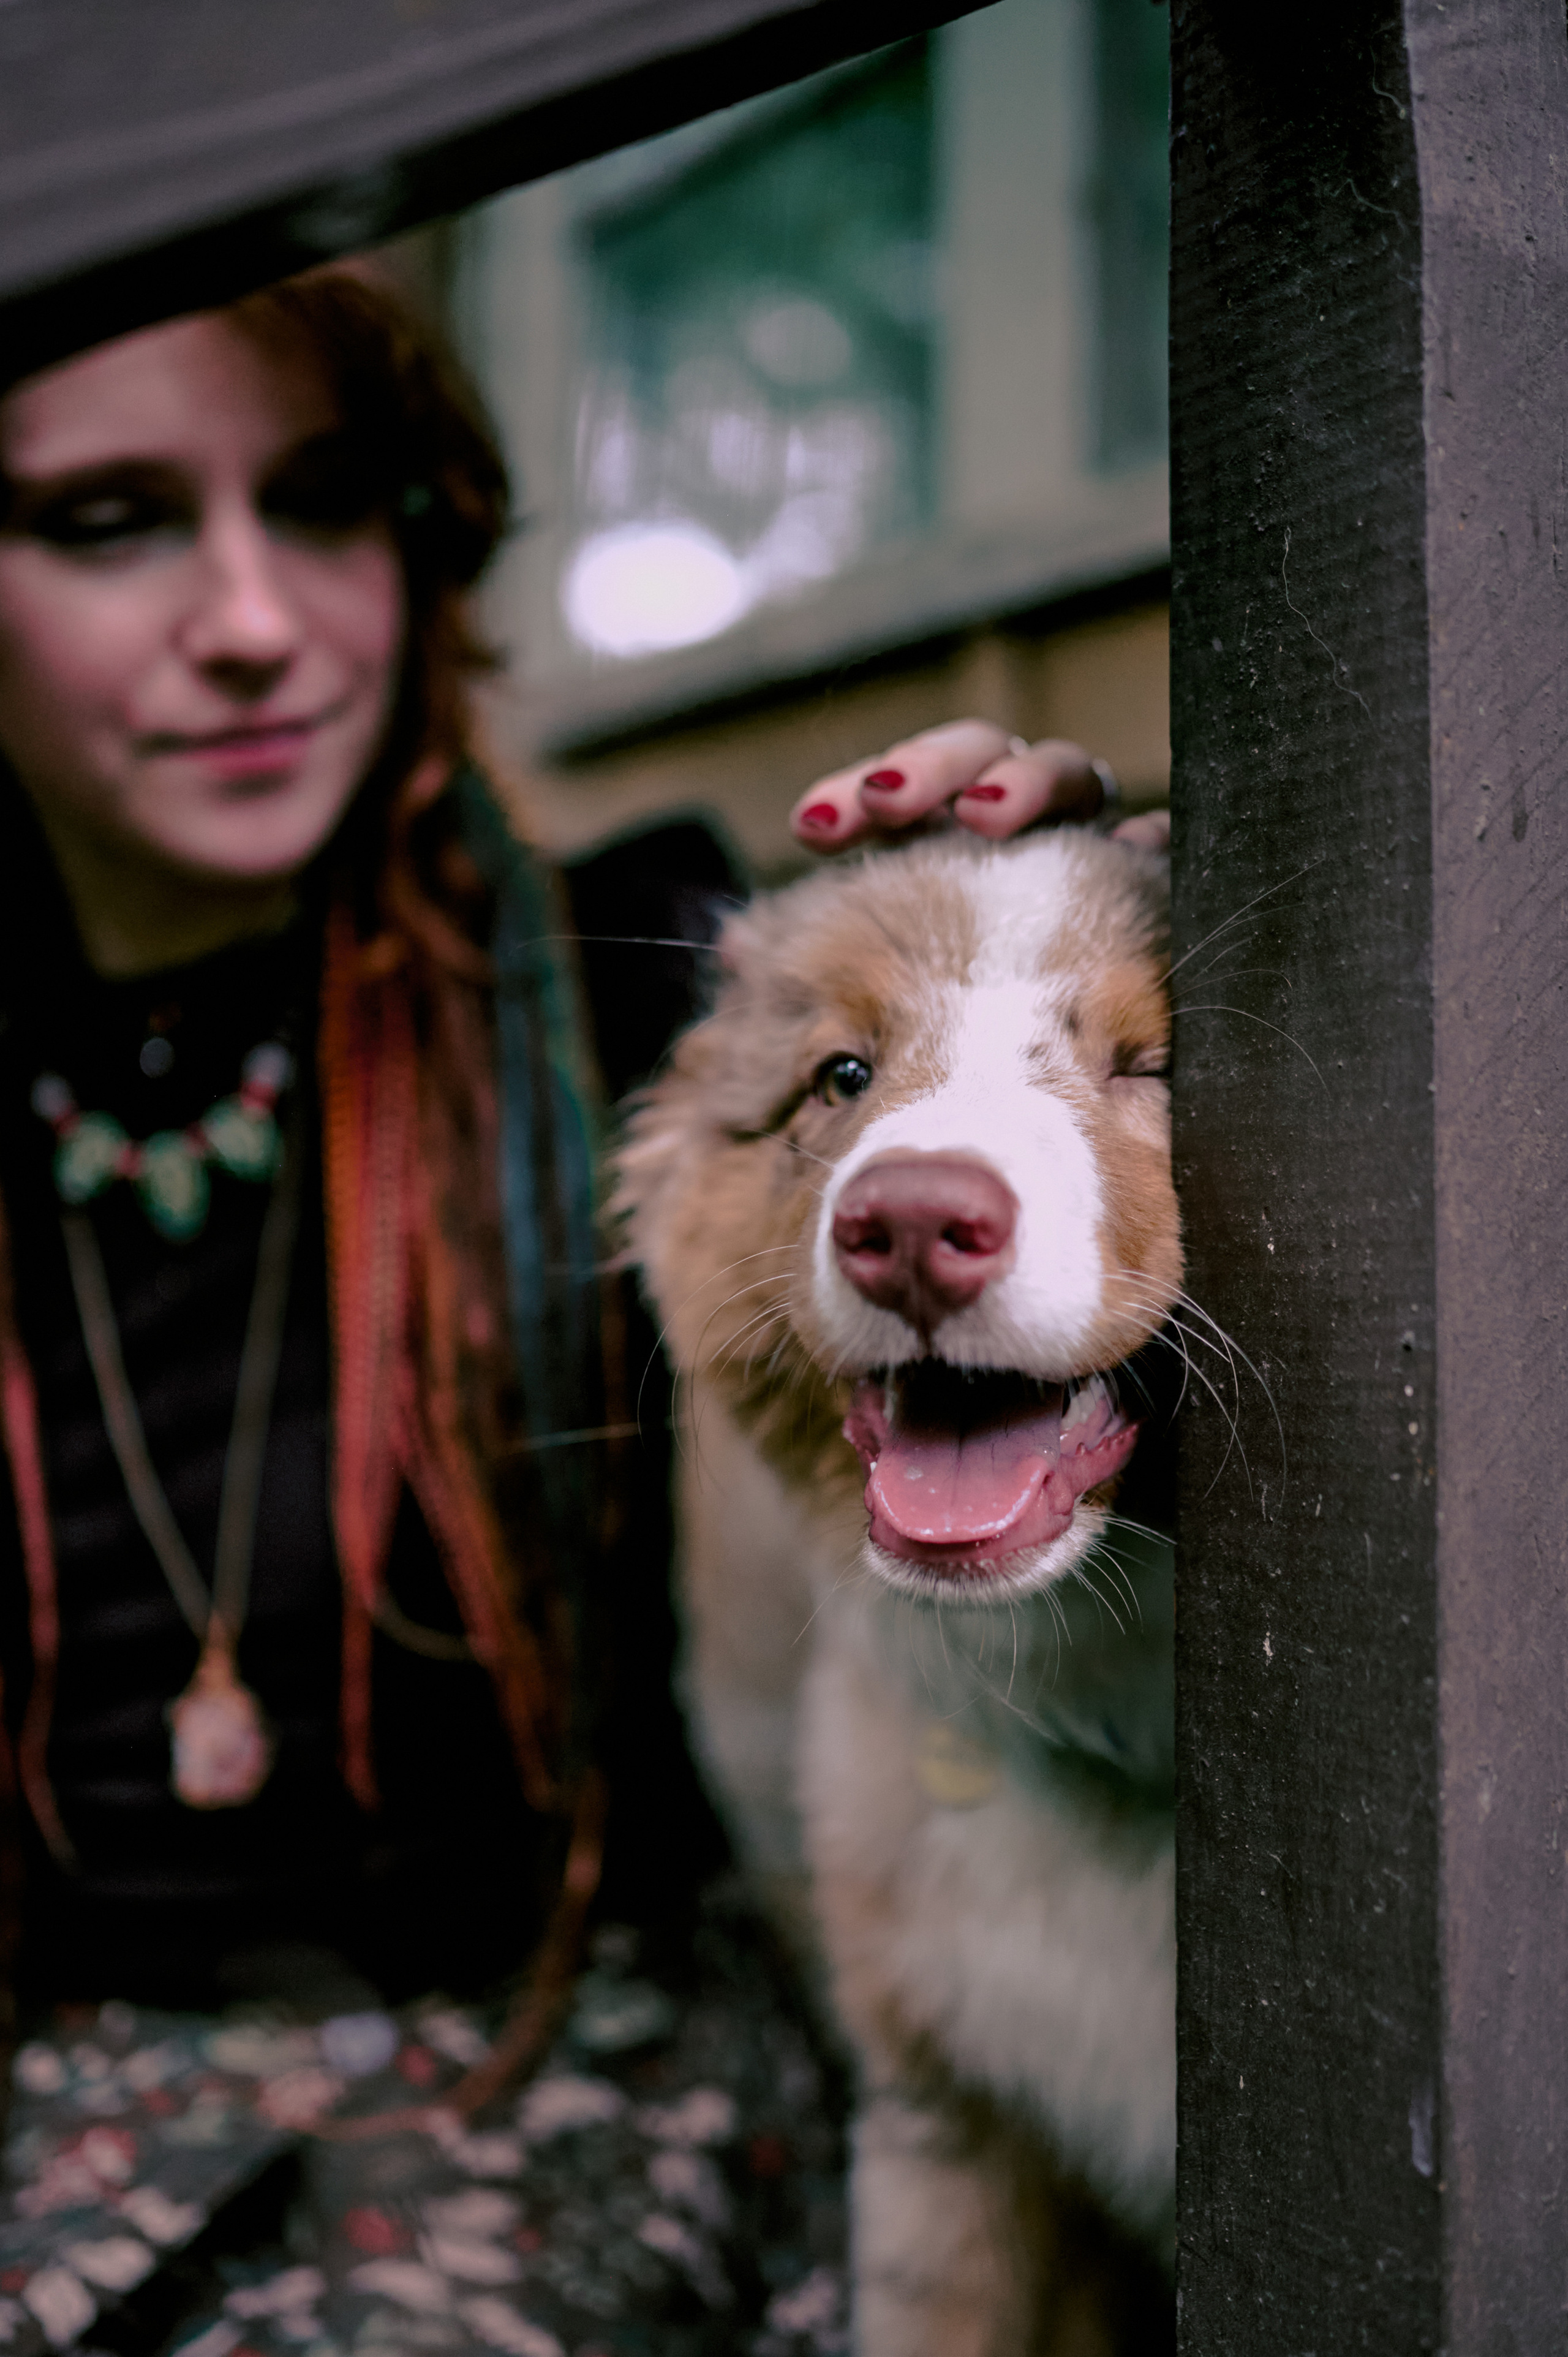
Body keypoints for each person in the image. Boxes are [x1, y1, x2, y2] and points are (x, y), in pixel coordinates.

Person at [0, 257, 1135, 2337]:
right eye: (110, 519)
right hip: (53, 2076)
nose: (252, 623)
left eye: (330, 501)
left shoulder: (655, 966)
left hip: (580, 2053)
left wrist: (1022, 933)